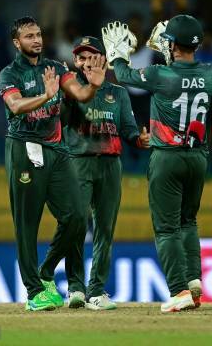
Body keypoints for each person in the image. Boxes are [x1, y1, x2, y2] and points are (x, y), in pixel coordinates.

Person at [101, 15, 212, 313]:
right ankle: (193, 280)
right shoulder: (209, 73)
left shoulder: (160, 74)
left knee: (166, 229)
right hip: (198, 158)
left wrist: (116, 55)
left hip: (167, 158)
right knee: (188, 221)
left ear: (174, 45)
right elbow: (184, 73)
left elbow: (125, 76)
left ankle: (179, 291)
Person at [0, 16, 104, 311]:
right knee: (27, 224)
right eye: (29, 36)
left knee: (76, 216)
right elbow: (16, 106)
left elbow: (80, 94)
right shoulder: (9, 74)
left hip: (56, 151)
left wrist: (94, 87)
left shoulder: (56, 68)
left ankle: (45, 272)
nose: (36, 40)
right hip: (24, 148)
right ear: (17, 43)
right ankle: (34, 293)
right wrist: (45, 95)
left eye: (39, 34)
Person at [64, 36, 150, 310]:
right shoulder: (70, 91)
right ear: (75, 62)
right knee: (76, 225)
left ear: (103, 59)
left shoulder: (119, 93)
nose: (86, 60)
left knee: (104, 230)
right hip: (79, 162)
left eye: (92, 55)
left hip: (111, 165)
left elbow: (128, 130)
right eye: (80, 56)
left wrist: (140, 140)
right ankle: (75, 288)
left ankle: (96, 291)